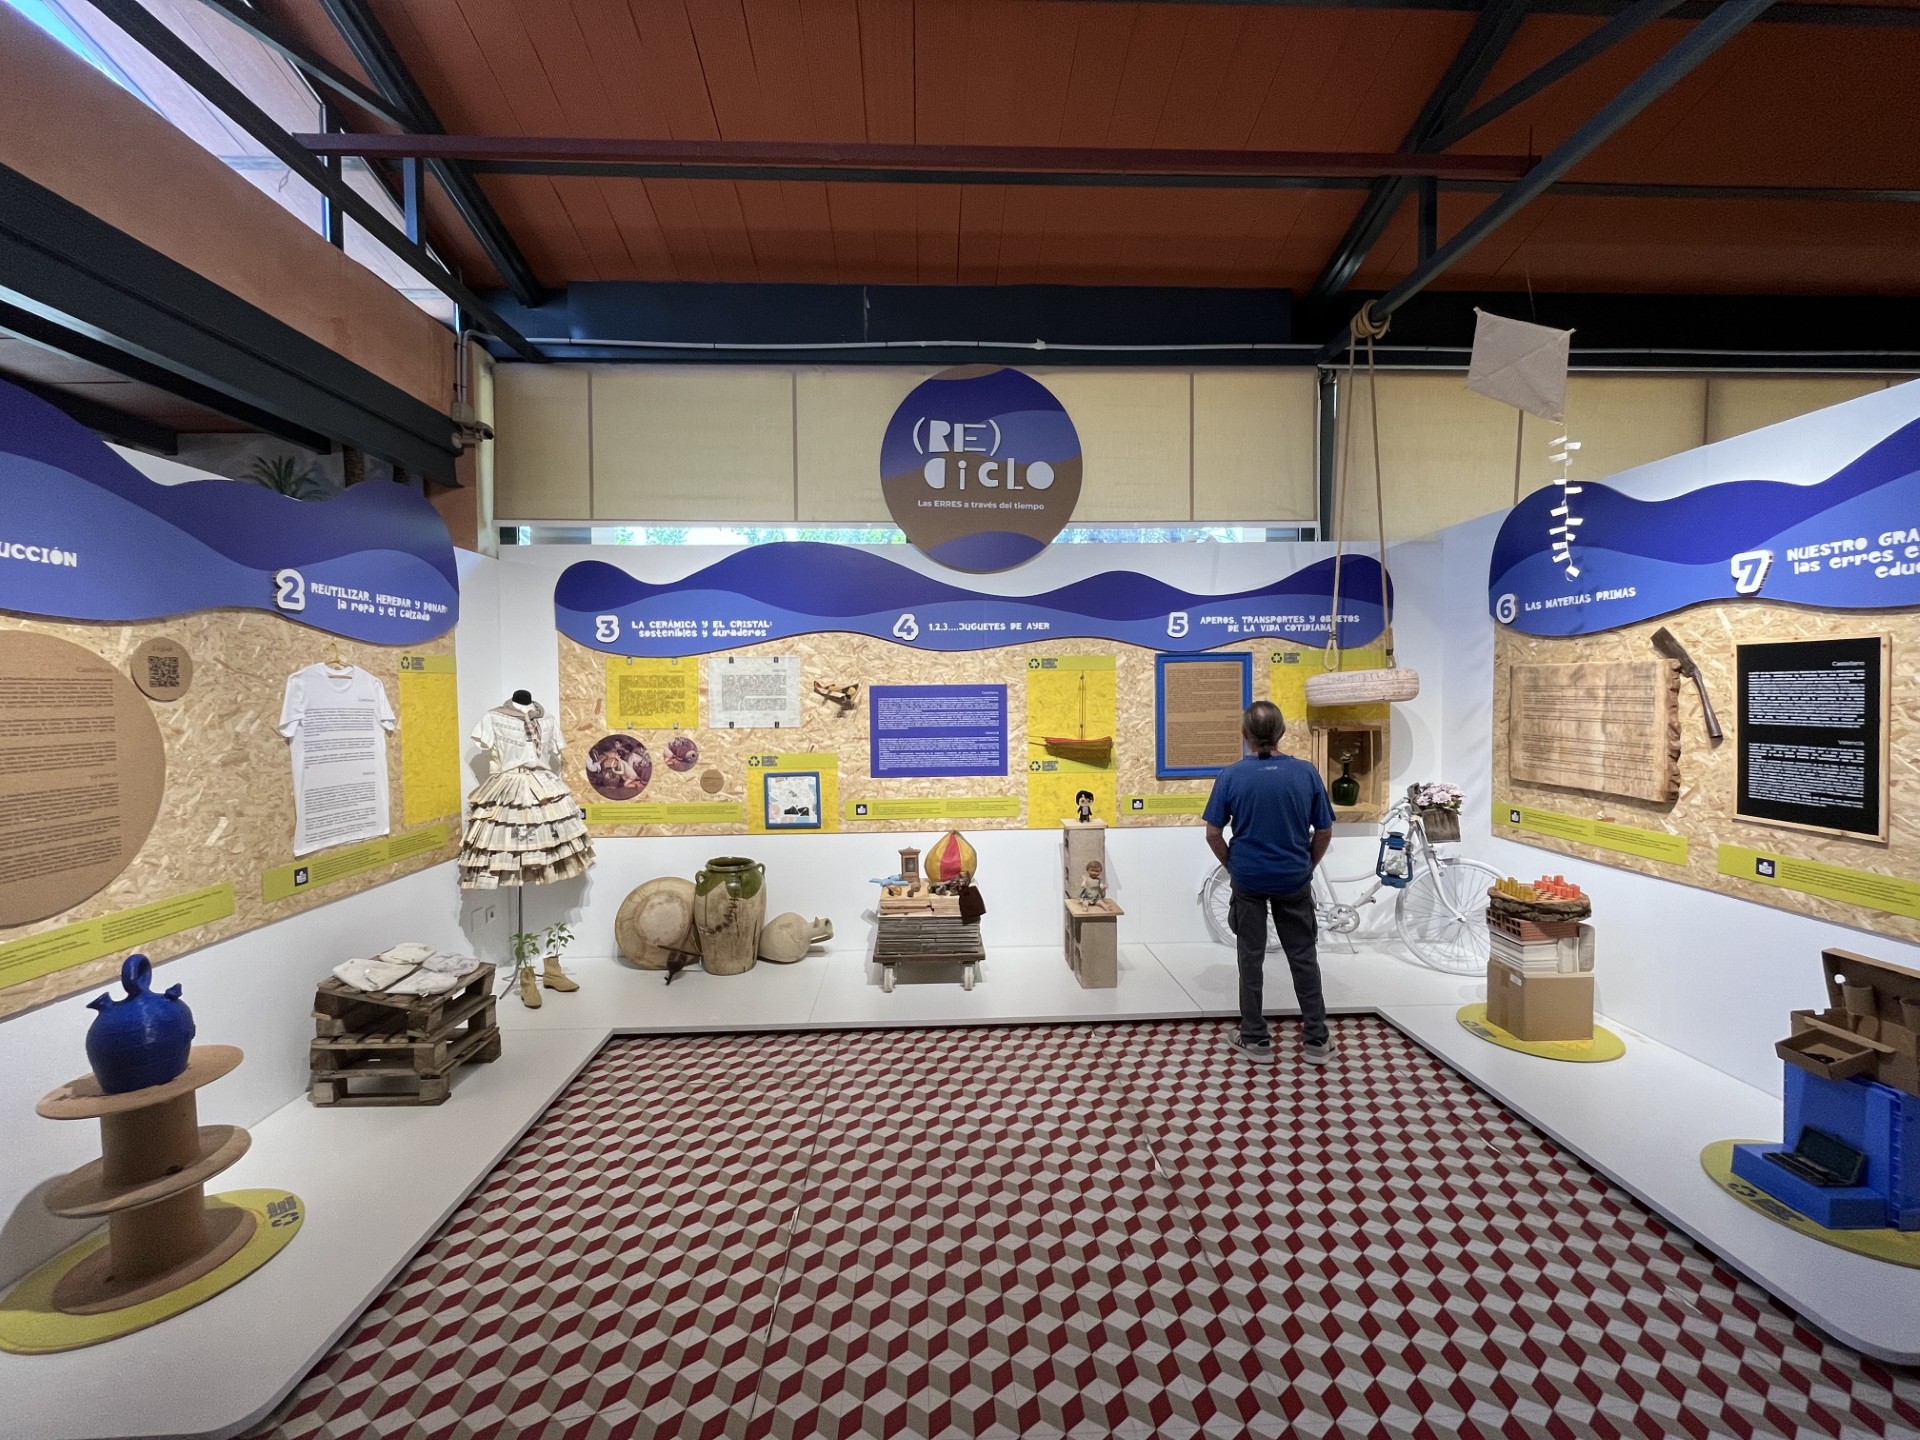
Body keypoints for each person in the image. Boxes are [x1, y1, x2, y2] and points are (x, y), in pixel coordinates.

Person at [1202, 700, 1335, 1066]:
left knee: (1250, 957)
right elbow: (1324, 830)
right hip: (1294, 878)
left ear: (1244, 733)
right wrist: (1306, 865)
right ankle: (1316, 1039)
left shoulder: (1231, 775)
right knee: (1303, 957)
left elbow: (1213, 833)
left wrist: (1234, 866)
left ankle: (1256, 1038)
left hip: (1249, 879)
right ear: (1281, 732)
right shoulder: (1305, 773)